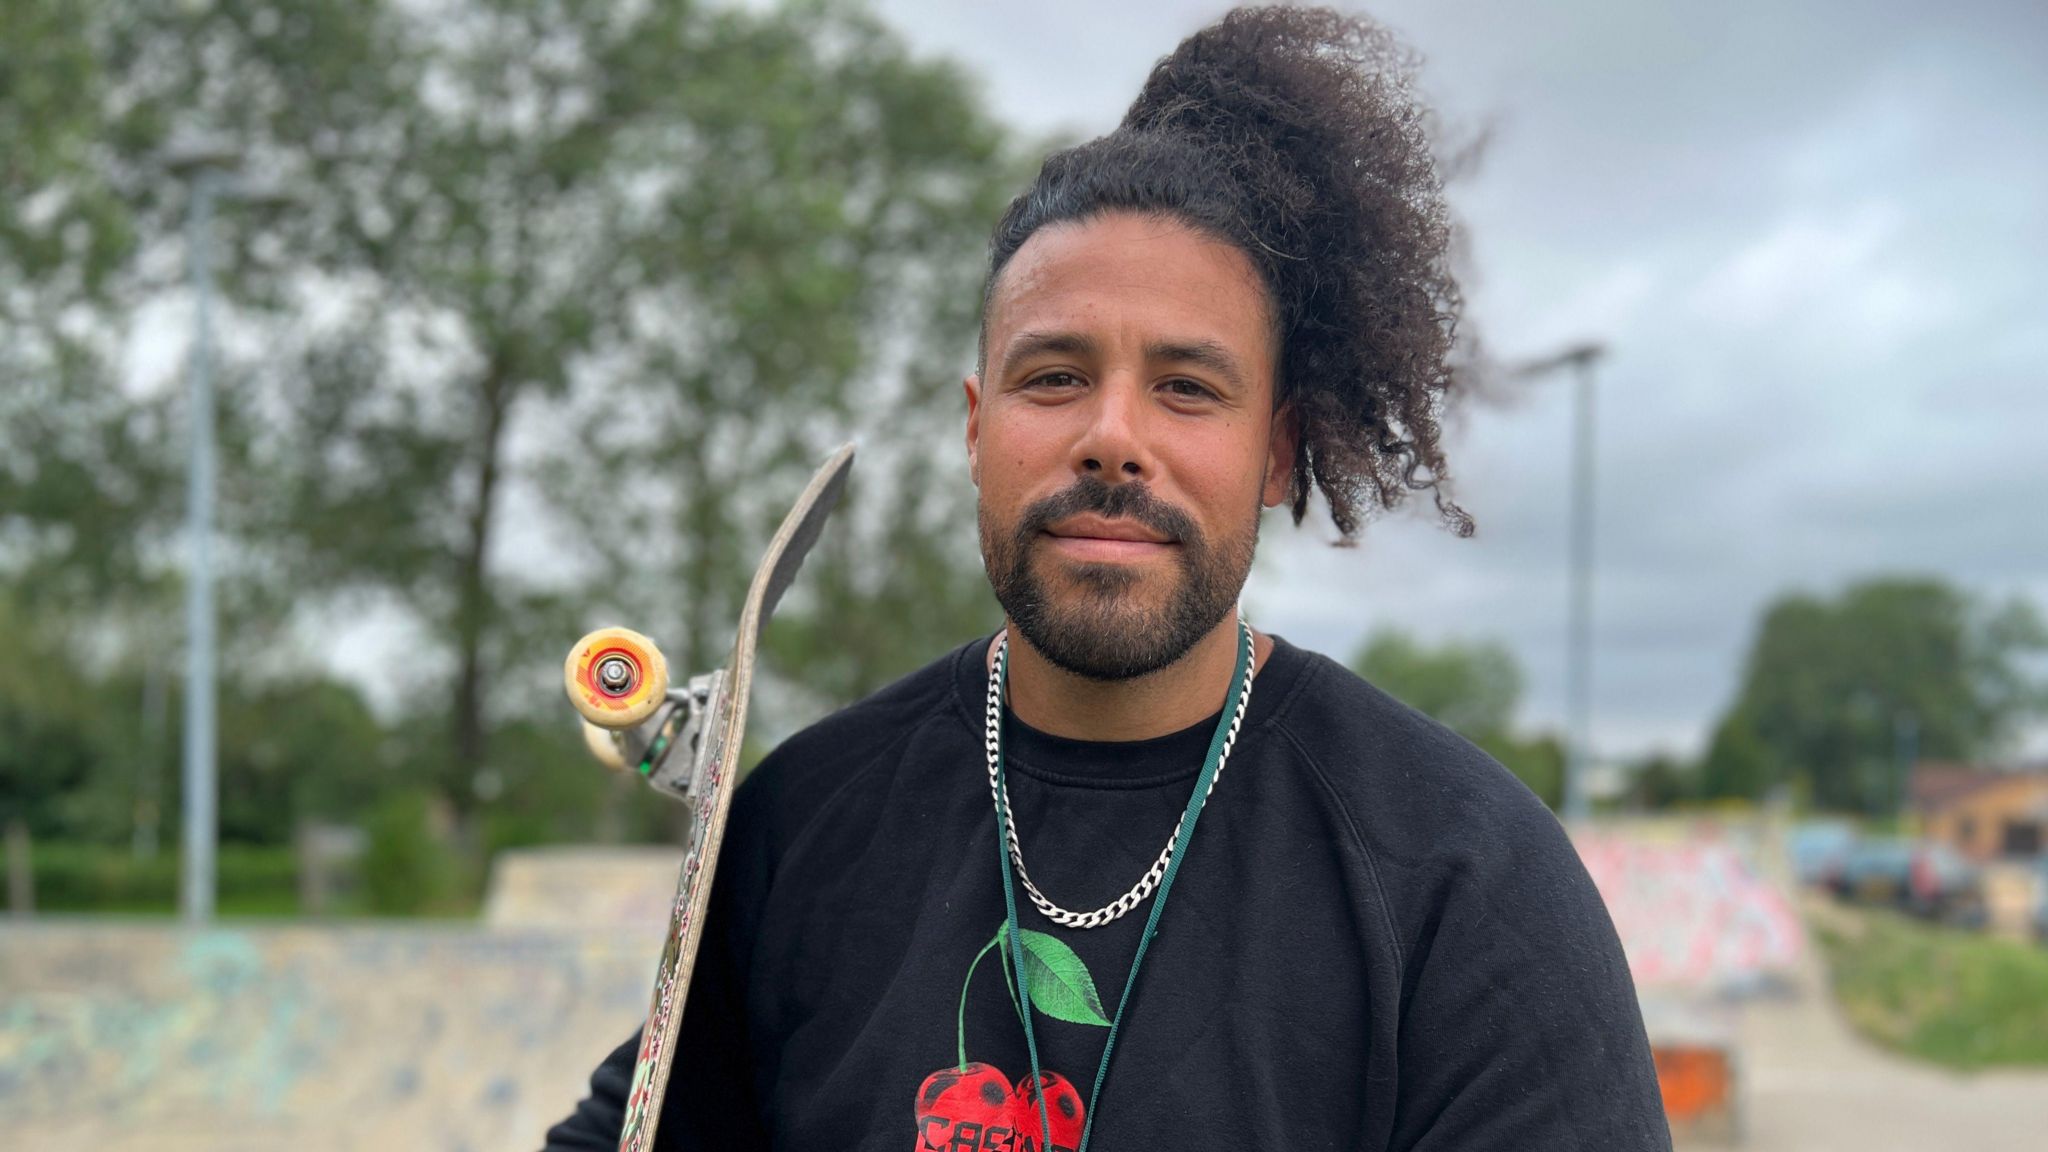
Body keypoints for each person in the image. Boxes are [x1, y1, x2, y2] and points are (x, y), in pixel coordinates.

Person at [546, 7, 1671, 1150]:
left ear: (1276, 452)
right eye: (1052, 377)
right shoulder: (802, 833)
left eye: (1186, 387)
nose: (1112, 438)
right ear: (976, 431)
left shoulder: (1463, 878)